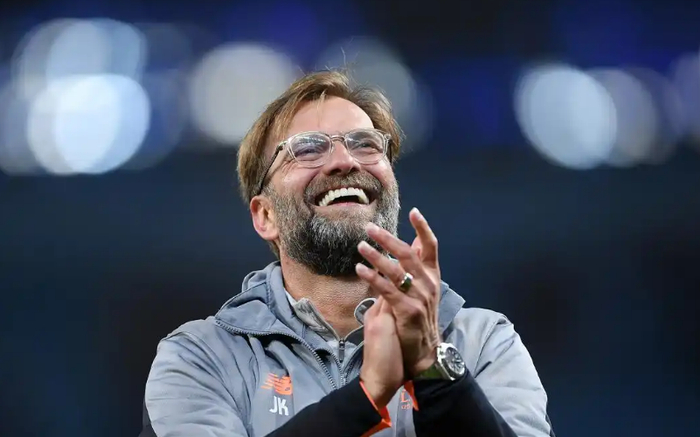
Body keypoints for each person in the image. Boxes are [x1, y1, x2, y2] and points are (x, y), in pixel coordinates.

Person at [139, 69, 554, 437]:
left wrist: (433, 367)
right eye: (307, 148)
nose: (344, 161)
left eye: (365, 144)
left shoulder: (483, 343)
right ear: (265, 216)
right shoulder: (201, 357)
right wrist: (366, 397)